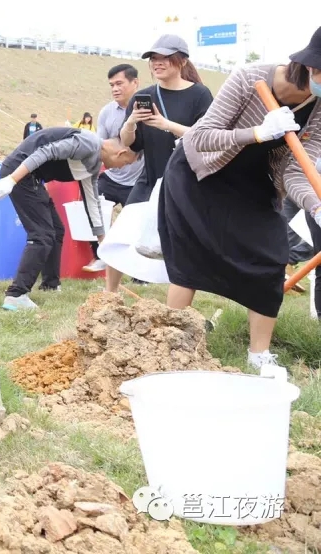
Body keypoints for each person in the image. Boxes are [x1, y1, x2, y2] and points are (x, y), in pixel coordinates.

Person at [158, 27, 321, 370]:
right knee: (191, 257)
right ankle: (168, 344)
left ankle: (259, 355)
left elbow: (296, 170)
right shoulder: (249, 78)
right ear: (313, 68)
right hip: (200, 174)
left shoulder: (319, 108)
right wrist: (257, 133)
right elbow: (200, 138)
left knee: (271, 255)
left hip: (253, 182)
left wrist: (315, 205)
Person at [0, 127, 136, 311]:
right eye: (126, 163)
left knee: (57, 230)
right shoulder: (88, 144)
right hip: (20, 173)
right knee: (42, 236)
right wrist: (12, 179)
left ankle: (50, 284)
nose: (122, 167)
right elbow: (46, 151)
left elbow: (92, 202)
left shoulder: (93, 165)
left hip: (33, 178)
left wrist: (102, 241)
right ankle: (16, 295)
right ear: (121, 153)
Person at [109, 34, 213, 291]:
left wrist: (167, 125)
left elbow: (208, 138)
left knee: (184, 243)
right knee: (121, 235)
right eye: (153, 58)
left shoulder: (200, 95)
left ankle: (180, 299)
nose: (157, 63)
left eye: (165, 58)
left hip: (186, 181)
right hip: (150, 177)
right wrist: (131, 122)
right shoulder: (143, 96)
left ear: (182, 61)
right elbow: (130, 144)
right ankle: (109, 294)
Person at [95, 64, 144, 206]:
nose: (114, 89)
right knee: (93, 214)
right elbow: (100, 148)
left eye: (119, 83)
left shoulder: (146, 111)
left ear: (135, 82)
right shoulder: (106, 112)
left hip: (139, 183)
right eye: (112, 85)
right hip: (111, 178)